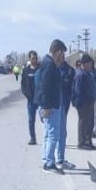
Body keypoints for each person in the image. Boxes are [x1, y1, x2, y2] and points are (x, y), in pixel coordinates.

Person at [34, 39, 66, 174]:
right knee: (53, 135)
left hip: (48, 105)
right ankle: (49, 163)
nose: (63, 56)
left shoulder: (47, 63)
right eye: (62, 53)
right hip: (51, 106)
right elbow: (46, 86)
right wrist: (46, 106)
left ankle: (47, 160)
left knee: (48, 134)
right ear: (58, 51)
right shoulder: (49, 65)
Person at [72, 54, 96, 150]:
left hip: (90, 102)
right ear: (85, 64)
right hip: (83, 103)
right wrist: (82, 101)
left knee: (90, 122)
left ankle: (88, 141)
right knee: (83, 122)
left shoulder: (88, 74)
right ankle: (82, 142)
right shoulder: (80, 75)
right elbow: (78, 90)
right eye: (90, 64)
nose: (91, 66)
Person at [57, 57, 76, 169]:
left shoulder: (69, 70)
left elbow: (71, 86)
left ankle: (58, 159)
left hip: (64, 103)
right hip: (55, 105)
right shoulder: (51, 68)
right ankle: (55, 160)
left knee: (61, 133)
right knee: (54, 134)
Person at [20, 51, 40, 145]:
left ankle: (48, 138)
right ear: (29, 59)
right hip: (31, 100)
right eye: (33, 58)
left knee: (45, 120)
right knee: (31, 120)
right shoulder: (26, 70)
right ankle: (33, 138)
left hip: (40, 100)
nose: (35, 60)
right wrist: (26, 93)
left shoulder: (41, 69)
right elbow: (23, 84)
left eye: (36, 58)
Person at [85, 57, 96, 138]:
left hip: (94, 97)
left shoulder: (91, 74)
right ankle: (93, 130)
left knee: (92, 114)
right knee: (92, 114)